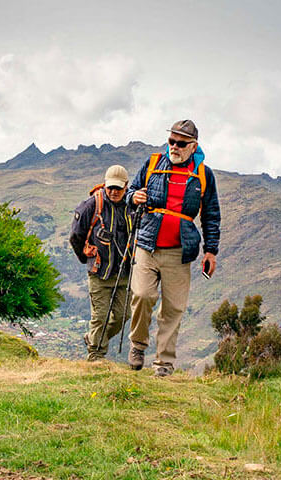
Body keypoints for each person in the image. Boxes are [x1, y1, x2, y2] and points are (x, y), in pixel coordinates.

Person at [126, 119, 221, 376]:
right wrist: (133, 197)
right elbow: (131, 191)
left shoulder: (204, 174)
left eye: (181, 143)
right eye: (171, 141)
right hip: (147, 245)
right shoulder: (153, 163)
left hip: (180, 252)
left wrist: (210, 251)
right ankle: (137, 344)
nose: (174, 147)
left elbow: (211, 214)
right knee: (142, 296)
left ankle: (164, 364)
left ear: (193, 147)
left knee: (173, 308)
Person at [70, 165, 133, 361]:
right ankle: (96, 356)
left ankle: (93, 338)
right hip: (99, 273)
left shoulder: (133, 206)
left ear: (126, 187)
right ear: (105, 185)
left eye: (118, 188)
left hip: (124, 274)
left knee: (124, 315)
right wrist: (86, 259)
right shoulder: (91, 205)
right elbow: (75, 236)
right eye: (110, 187)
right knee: (101, 316)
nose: (114, 192)